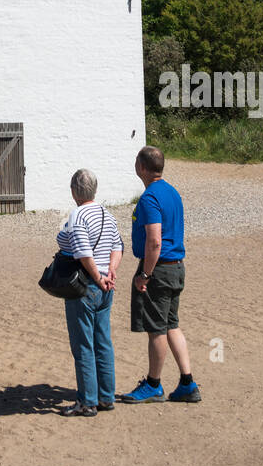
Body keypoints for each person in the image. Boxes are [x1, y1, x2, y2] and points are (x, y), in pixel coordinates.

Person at [122, 145, 201, 404]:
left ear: (142, 167)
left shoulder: (150, 198)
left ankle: (153, 384)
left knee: (156, 329)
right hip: (176, 266)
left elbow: (154, 241)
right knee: (171, 325)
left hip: (159, 268)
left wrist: (145, 274)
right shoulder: (172, 192)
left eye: (136, 161)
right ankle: (187, 382)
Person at [56, 169, 124, 417]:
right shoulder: (108, 215)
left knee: (83, 344)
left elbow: (82, 250)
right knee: (103, 341)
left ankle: (87, 401)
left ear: (74, 191)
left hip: (87, 285)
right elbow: (118, 245)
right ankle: (106, 396)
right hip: (107, 284)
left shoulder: (78, 215)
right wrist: (110, 273)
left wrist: (97, 277)